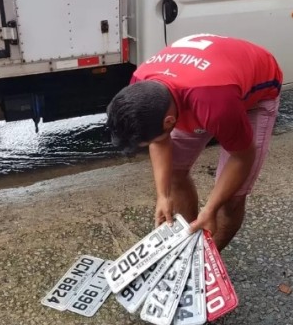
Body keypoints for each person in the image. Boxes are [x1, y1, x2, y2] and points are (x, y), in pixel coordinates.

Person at [106, 33, 283, 251]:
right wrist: (163, 196)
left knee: (230, 200)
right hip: (205, 83)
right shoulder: (141, 84)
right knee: (173, 174)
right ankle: (190, 248)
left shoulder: (216, 105)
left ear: (170, 121)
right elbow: (159, 142)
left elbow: (243, 156)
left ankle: (207, 262)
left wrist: (210, 209)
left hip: (253, 92)